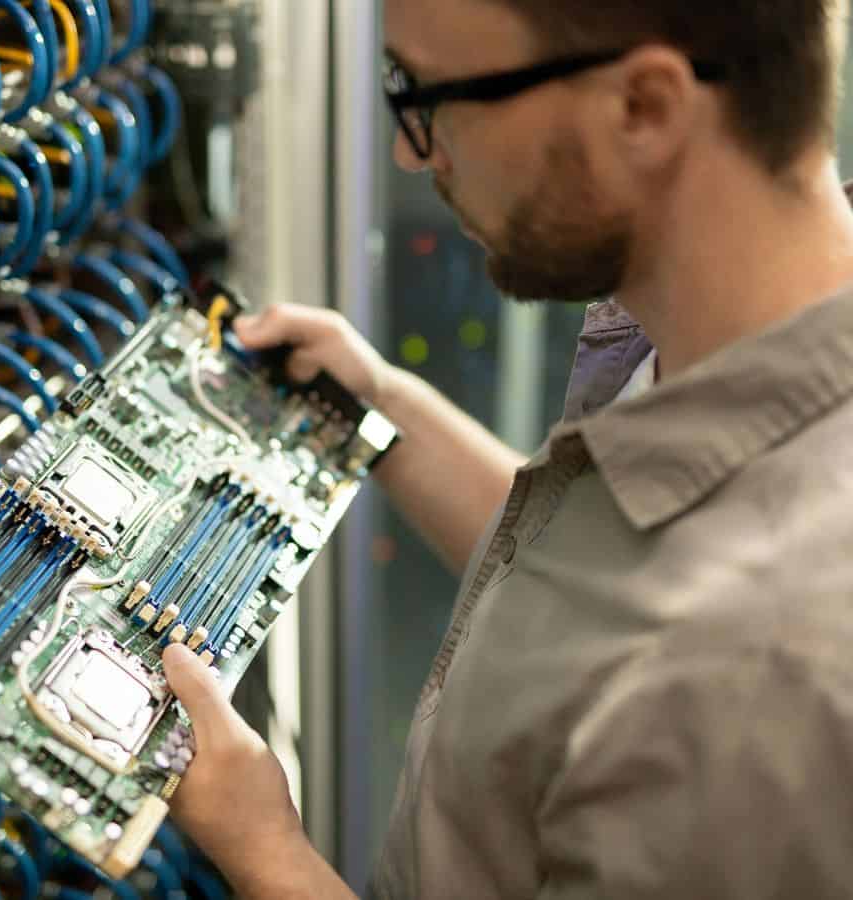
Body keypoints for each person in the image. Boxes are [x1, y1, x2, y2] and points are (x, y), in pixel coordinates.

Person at [160, 0, 853, 896]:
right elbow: (592, 571)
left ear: (643, 108)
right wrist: (380, 405)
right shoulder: (722, 330)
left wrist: (263, 845)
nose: (413, 151)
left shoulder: (740, 688)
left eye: (430, 93)